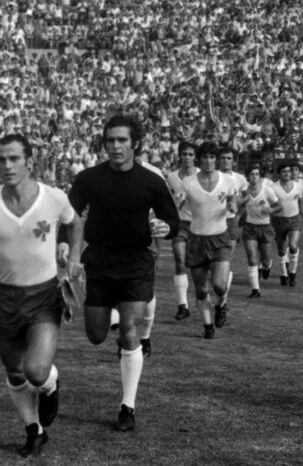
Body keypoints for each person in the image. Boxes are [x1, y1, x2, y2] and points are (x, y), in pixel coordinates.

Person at [0, 134, 83, 457]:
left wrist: (74, 257)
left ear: (30, 161)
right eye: (1, 159)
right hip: (5, 297)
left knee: (36, 371)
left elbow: (75, 223)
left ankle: (51, 385)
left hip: (44, 296)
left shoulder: (53, 197)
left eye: (14, 158)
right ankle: (34, 430)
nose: (7, 165)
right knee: (14, 370)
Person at [66, 113, 179, 432]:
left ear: (135, 144)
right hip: (98, 261)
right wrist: (64, 244)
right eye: (110, 140)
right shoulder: (88, 178)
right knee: (96, 335)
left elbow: (173, 220)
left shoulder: (151, 181)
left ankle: (127, 407)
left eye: (122, 140)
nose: (115, 146)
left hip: (135, 262)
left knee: (130, 329)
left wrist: (166, 227)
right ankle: (113, 317)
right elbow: (68, 215)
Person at [179, 141, 241, 339]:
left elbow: (233, 201)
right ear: (199, 159)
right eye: (205, 157)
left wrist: (233, 206)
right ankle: (208, 326)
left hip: (220, 237)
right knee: (201, 288)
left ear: (216, 159)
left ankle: (221, 305)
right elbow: (177, 205)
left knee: (219, 285)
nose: (208, 161)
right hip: (196, 239)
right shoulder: (188, 183)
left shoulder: (228, 181)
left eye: (212, 157)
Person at [166, 141, 198, 321]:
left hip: (200, 226)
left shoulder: (201, 175)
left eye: (191, 154)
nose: (187, 157)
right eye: (184, 154)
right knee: (180, 261)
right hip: (181, 225)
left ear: (195, 157)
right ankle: (182, 305)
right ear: (179, 156)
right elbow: (170, 200)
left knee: (200, 267)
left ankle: (214, 301)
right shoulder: (171, 177)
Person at [241, 164, 282, 298]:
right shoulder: (244, 191)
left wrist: (271, 210)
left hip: (265, 227)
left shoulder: (267, 190)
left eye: (257, 174)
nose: (255, 177)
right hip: (249, 227)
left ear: (260, 176)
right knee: (252, 257)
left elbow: (279, 206)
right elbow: (240, 206)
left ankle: (267, 266)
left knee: (265, 259)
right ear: (248, 176)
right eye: (252, 174)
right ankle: (255, 290)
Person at [218, 146, 248, 311]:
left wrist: (238, 208)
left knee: (227, 259)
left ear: (234, 161)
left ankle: (223, 300)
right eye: (223, 158)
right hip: (213, 223)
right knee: (215, 263)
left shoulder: (239, 179)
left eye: (229, 158)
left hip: (230, 222)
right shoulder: (213, 176)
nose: (226, 161)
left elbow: (247, 196)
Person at [271, 162, 303, 287]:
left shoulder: (298, 186)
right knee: (282, 249)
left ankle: (293, 274)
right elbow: (270, 205)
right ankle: (283, 274)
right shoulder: (273, 187)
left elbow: (301, 203)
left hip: (295, 220)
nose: (287, 173)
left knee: (292, 245)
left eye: (288, 171)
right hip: (279, 220)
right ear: (279, 174)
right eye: (284, 171)